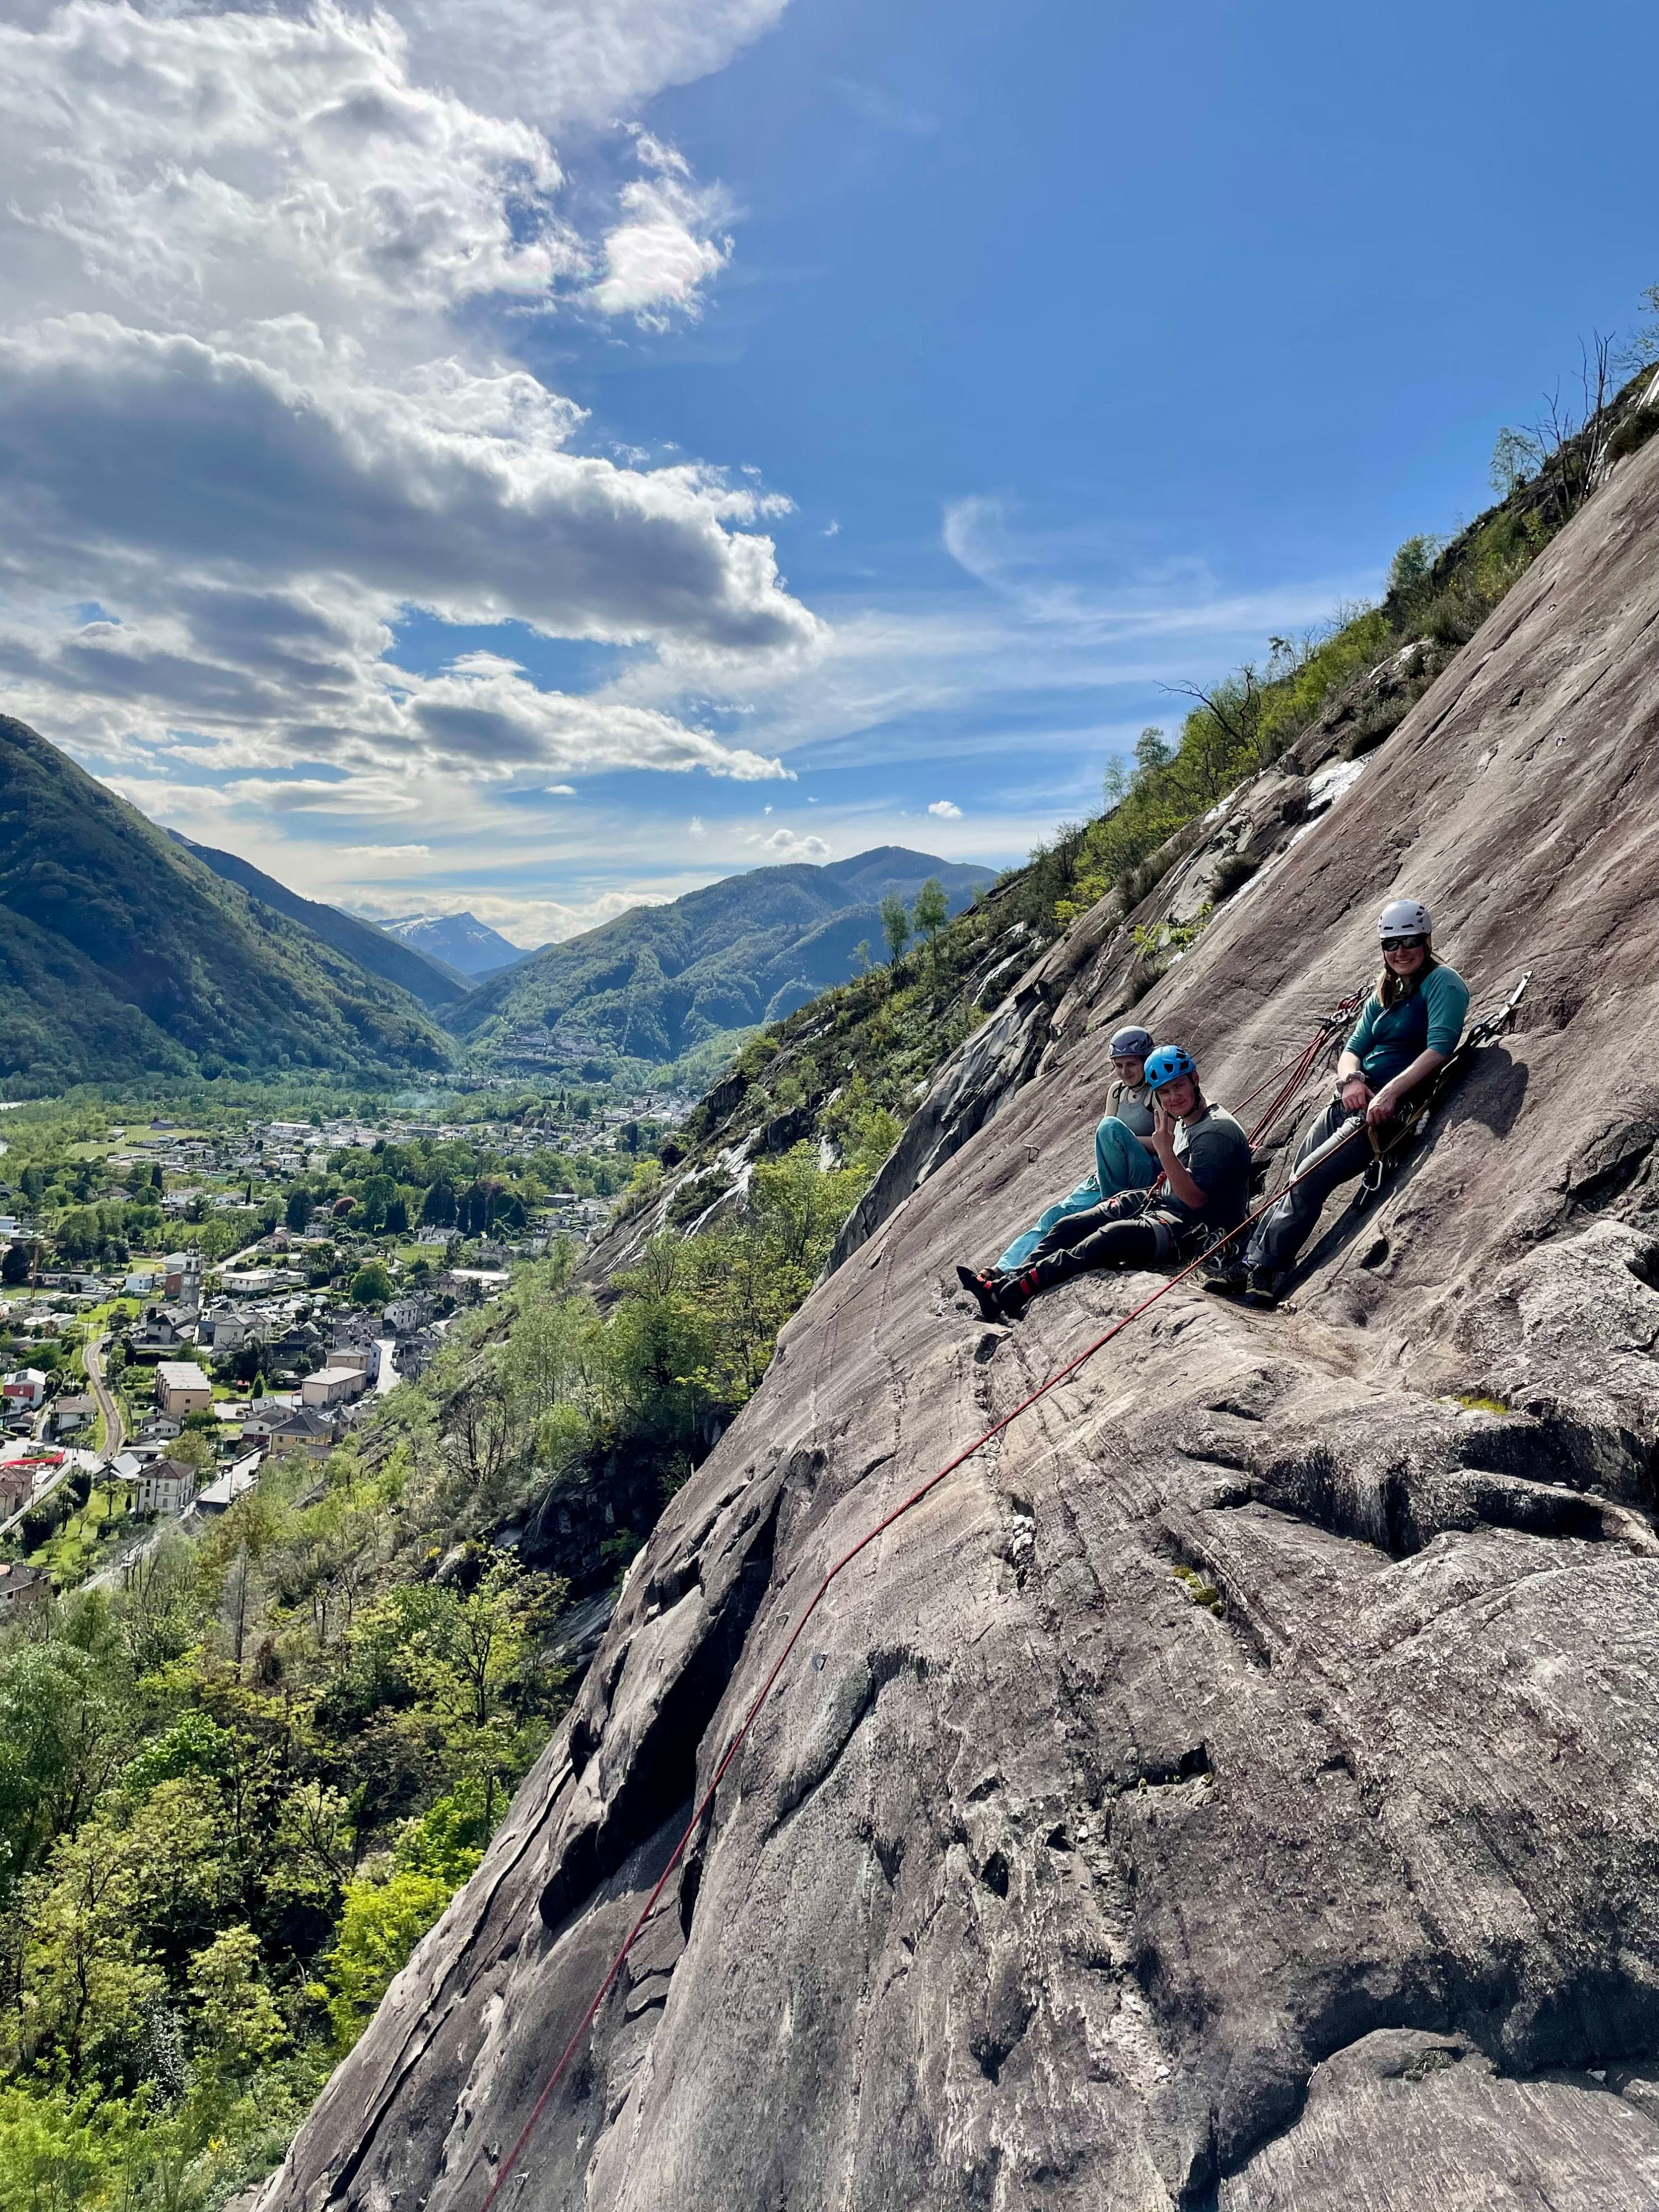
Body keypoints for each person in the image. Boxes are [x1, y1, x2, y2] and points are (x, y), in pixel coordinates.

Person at [1211, 898, 1469, 1307]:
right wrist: (1350, 1079)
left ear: (1427, 940)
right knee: (1297, 1172)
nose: (1401, 952)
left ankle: (1264, 1269)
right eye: (1392, 944)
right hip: (1352, 1098)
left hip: (1386, 1108)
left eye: (1410, 942)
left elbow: (1439, 1047)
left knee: (1310, 1178)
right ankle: (1250, 1262)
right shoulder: (1385, 990)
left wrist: (1388, 1092)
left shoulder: (1443, 983)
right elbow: (1352, 1047)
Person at [958, 1045, 1253, 1323]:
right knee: (1068, 1226)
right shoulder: (1191, 1118)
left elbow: (1197, 1201)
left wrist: (1164, 1150)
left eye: (1180, 1086)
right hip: (1163, 1203)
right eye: (1165, 1092)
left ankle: (1008, 1294)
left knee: (1108, 1238)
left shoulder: (1215, 1133)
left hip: (1194, 1232)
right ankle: (1004, 1280)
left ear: (1195, 1079)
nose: (1174, 1097)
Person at [960, 1027, 1162, 1308]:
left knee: (1111, 1128)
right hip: (1110, 1171)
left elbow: (1166, 1143)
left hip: (1144, 1175)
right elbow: (1105, 1141)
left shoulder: (1158, 1092)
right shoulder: (1116, 1092)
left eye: (1132, 1064)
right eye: (1119, 1065)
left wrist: (1125, 1142)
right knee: (1056, 1216)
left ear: (1146, 1059)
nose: (1125, 1072)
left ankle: (1110, 1207)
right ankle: (1000, 1272)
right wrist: (1116, 1146)